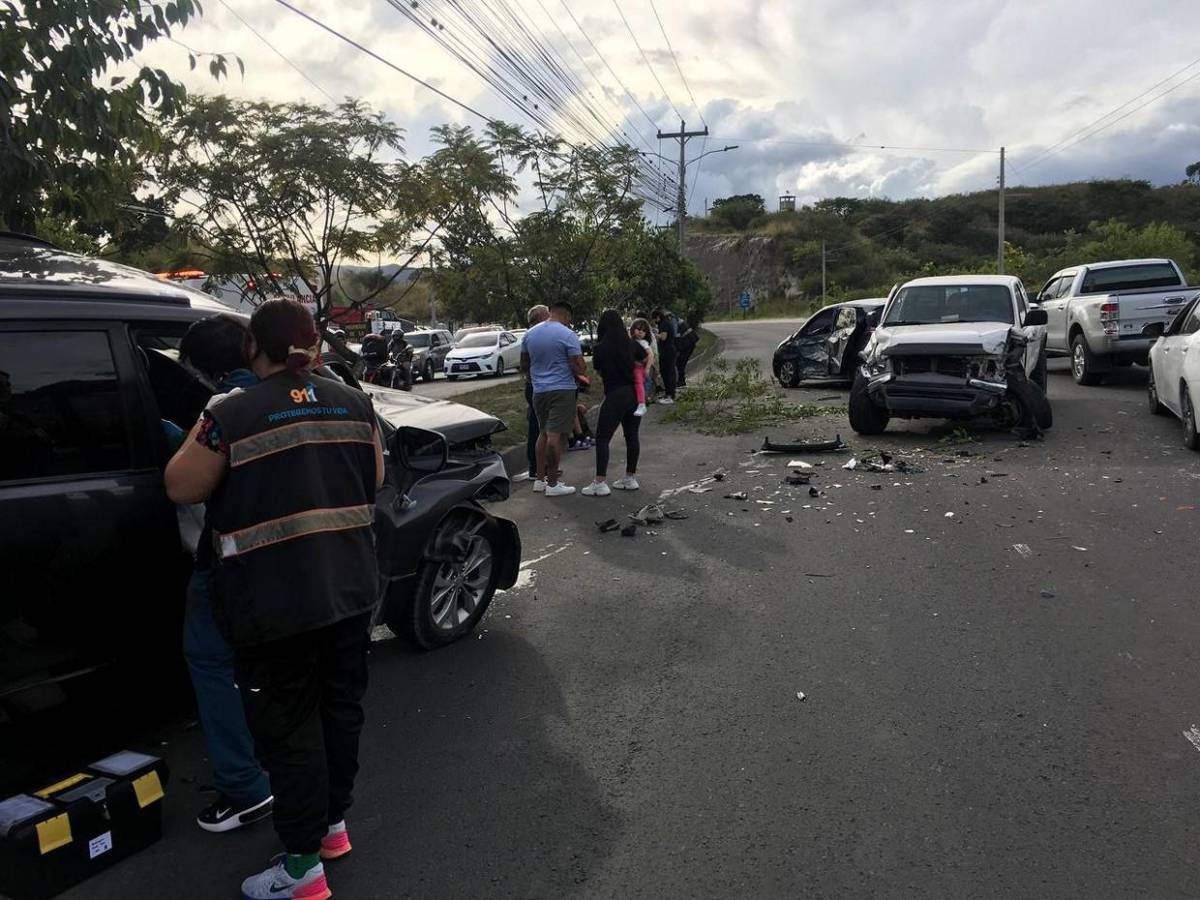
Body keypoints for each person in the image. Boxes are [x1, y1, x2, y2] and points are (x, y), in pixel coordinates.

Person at [165, 298, 385, 900]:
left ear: (250, 348)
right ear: (314, 344)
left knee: (289, 734)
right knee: (340, 714)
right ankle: (332, 829)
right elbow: (376, 480)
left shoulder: (230, 416)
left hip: (276, 606)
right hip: (350, 590)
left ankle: (301, 871)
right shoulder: (355, 402)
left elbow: (180, 485)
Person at [176, 315, 274, 835]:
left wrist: (175, 438)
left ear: (199, 369)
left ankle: (245, 786)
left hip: (231, 563)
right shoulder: (316, 396)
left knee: (211, 661)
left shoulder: (221, 411)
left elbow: (182, 486)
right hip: (298, 564)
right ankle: (294, 773)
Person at [522, 300, 586, 497]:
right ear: (566, 315)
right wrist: (578, 372)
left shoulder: (529, 334)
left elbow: (525, 363)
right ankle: (553, 484)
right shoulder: (567, 335)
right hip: (562, 390)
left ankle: (539, 480)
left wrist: (536, 378)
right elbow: (579, 366)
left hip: (538, 391)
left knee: (542, 433)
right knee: (555, 436)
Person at [582, 309, 647, 496]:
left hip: (615, 395)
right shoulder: (633, 344)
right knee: (632, 435)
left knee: (603, 438)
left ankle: (600, 482)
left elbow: (600, 373)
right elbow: (645, 359)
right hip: (634, 395)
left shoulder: (600, 348)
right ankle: (630, 478)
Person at [514, 304, 549, 482]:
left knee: (542, 427)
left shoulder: (536, 336)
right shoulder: (532, 336)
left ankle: (543, 467)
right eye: (547, 315)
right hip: (536, 386)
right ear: (539, 318)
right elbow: (524, 364)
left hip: (538, 385)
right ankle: (536, 468)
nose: (550, 318)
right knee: (537, 428)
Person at [653, 307, 678, 404]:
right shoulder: (666, 323)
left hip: (667, 351)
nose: (655, 321)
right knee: (666, 372)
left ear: (658, 317)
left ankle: (670, 395)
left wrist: (654, 334)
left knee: (668, 373)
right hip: (668, 351)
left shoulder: (664, 324)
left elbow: (663, 337)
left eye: (655, 319)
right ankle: (669, 393)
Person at [630, 318, 655, 413]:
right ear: (633, 329)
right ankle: (642, 399)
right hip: (633, 366)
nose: (641, 332)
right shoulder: (632, 341)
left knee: (638, 382)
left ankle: (642, 403)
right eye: (638, 329)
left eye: (644, 331)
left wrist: (647, 368)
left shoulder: (643, 343)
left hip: (640, 367)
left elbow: (651, 355)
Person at [675, 318, 699, 387]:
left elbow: (677, 339)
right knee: (680, 362)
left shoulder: (672, 323)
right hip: (690, 341)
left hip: (688, 343)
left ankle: (681, 381)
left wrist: (678, 350)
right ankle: (681, 380)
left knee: (680, 361)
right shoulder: (673, 319)